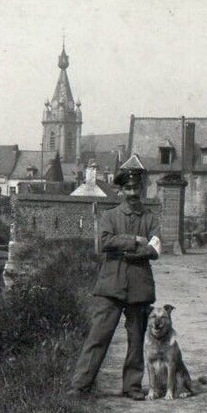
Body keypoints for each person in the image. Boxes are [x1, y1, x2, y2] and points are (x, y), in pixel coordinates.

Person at [68, 165, 162, 400]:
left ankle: (132, 386)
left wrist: (133, 250)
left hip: (139, 286)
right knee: (98, 335)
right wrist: (135, 241)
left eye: (136, 188)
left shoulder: (151, 218)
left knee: (137, 337)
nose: (132, 193)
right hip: (110, 286)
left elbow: (156, 249)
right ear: (121, 191)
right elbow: (105, 242)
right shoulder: (109, 215)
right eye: (127, 188)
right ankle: (81, 385)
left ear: (142, 189)